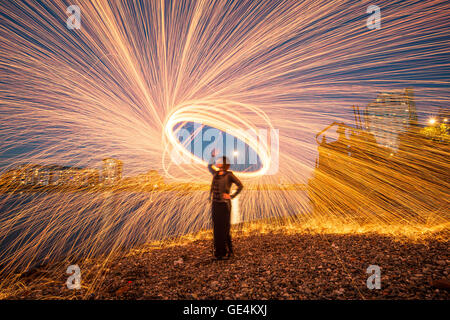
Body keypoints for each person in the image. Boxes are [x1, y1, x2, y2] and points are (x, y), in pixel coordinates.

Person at [208, 150, 243, 260]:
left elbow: (240, 185)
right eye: (217, 161)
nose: (217, 162)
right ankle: (218, 252)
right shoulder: (216, 173)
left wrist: (231, 196)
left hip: (224, 205)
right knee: (217, 228)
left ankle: (229, 251)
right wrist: (212, 156)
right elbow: (209, 166)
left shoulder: (229, 175)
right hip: (215, 204)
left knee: (225, 228)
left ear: (224, 163)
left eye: (219, 160)